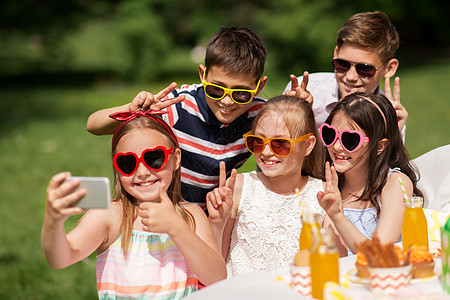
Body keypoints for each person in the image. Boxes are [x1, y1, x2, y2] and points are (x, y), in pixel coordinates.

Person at [41, 111, 227, 299]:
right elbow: (60, 259)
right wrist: (53, 221)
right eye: (128, 163)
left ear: (176, 158)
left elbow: (217, 278)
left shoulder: (191, 216)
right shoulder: (111, 216)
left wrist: (177, 228)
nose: (142, 172)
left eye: (154, 158)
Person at [86, 26, 268, 208]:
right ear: (202, 75)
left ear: (259, 87)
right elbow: (93, 125)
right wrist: (132, 110)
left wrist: (297, 107)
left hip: (205, 217)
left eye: (241, 93)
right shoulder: (177, 104)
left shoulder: (260, 115)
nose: (227, 101)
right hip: (158, 210)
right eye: (216, 89)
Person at [206, 95, 325, 277]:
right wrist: (217, 222)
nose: (267, 152)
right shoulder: (240, 186)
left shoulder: (323, 195)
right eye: (258, 142)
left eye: (280, 144)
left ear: (308, 145)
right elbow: (216, 266)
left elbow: (335, 265)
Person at [316, 92, 422, 256]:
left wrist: (337, 216)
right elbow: (337, 259)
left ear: (380, 147)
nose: (336, 147)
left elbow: (379, 254)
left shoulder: (395, 183)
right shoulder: (328, 186)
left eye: (350, 140)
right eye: (330, 134)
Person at [284, 11, 407, 135]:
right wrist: (297, 118)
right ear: (335, 53)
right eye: (342, 64)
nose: (351, 77)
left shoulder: (390, 115)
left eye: (364, 69)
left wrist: (392, 136)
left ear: (389, 68)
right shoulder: (305, 89)